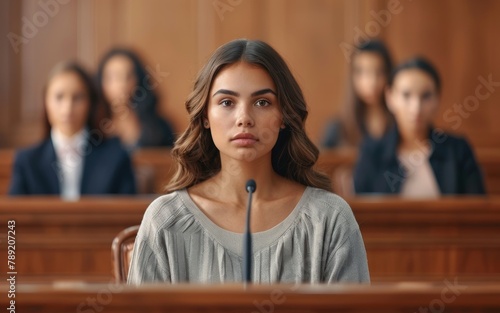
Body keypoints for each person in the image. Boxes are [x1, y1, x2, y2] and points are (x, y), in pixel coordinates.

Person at [128, 39, 370, 284]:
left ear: (283, 116)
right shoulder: (165, 220)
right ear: (205, 117)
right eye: (227, 102)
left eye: (262, 102)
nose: (244, 118)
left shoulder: (329, 218)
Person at [353, 57, 486, 196]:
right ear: (390, 97)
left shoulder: (457, 150)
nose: (416, 108)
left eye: (426, 96)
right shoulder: (372, 153)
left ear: (437, 99)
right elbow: (361, 212)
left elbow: (477, 208)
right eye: (406, 95)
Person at [9, 62, 136, 199]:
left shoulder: (116, 156)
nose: (67, 108)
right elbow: (13, 219)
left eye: (77, 97)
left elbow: (129, 215)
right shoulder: (27, 161)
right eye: (59, 97)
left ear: (90, 103)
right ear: (46, 102)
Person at [96, 48, 175, 150]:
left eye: (128, 76)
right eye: (113, 77)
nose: (121, 84)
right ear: (100, 81)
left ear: (138, 80)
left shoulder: (158, 125)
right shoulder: (92, 124)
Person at [321, 40, 394, 148]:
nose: (372, 82)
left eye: (379, 72)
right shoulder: (337, 128)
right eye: (362, 72)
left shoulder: (400, 125)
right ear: (352, 76)